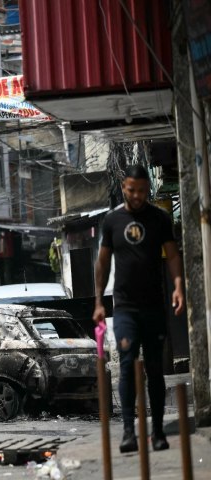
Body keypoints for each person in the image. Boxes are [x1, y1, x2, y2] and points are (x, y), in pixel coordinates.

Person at [93, 164, 184, 453]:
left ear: (147, 190)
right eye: (132, 190)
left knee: (155, 369)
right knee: (127, 364)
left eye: (142, 191)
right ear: (124, 187)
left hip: (154, 306)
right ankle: (128, 432)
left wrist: (178, 286)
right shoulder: (112, 220)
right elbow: (103, 262)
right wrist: (98, 301)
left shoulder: (159, 218)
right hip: (125, 308)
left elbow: (172, 256)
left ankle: (157, 432)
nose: (136, 196)